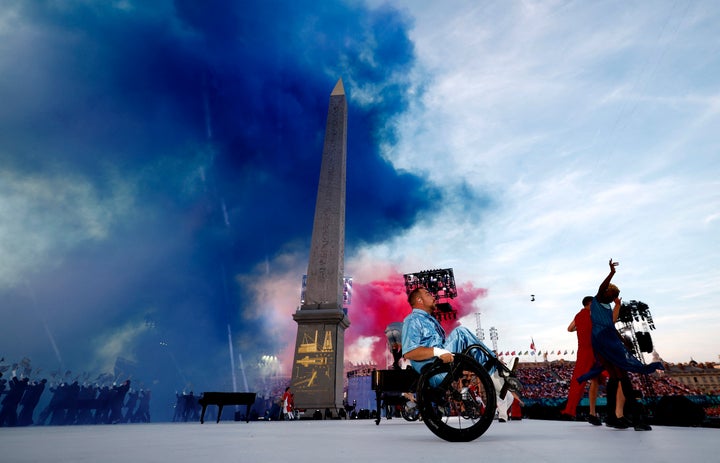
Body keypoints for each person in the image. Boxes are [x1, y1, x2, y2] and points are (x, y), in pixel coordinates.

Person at [579, 259, 664, 430]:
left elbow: (611, 325)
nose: (613, 298)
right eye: (612, 295)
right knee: (623, 377)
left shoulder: (607, 307)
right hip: (604, 340)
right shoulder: (597, 300)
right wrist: (612, 273)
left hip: (604, 340)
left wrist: (622, 341)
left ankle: (612, 417)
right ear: (606, 293)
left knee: (616, 377)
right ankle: (637, 420)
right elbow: (602, 287)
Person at [400, 287, 516, 395]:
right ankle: (498, 371)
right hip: (432, 371)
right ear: (419, 300)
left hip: (441, 365)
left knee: (468, 346)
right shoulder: (412, 320)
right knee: (460, 333)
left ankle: (496, 376)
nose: (433, 297)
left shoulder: (430, 321)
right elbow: (409, 352)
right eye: (428, 294)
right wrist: (438, 352)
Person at [560, 296, 603, 425]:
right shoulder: (593, 314)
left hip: (582, 352)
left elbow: (569, 329)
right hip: (594, 351)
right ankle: (592, 412)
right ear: (590, 303)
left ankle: (571, 410)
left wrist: (579, 328)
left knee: (578, 381)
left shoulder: (578, 315)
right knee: (596, 380)